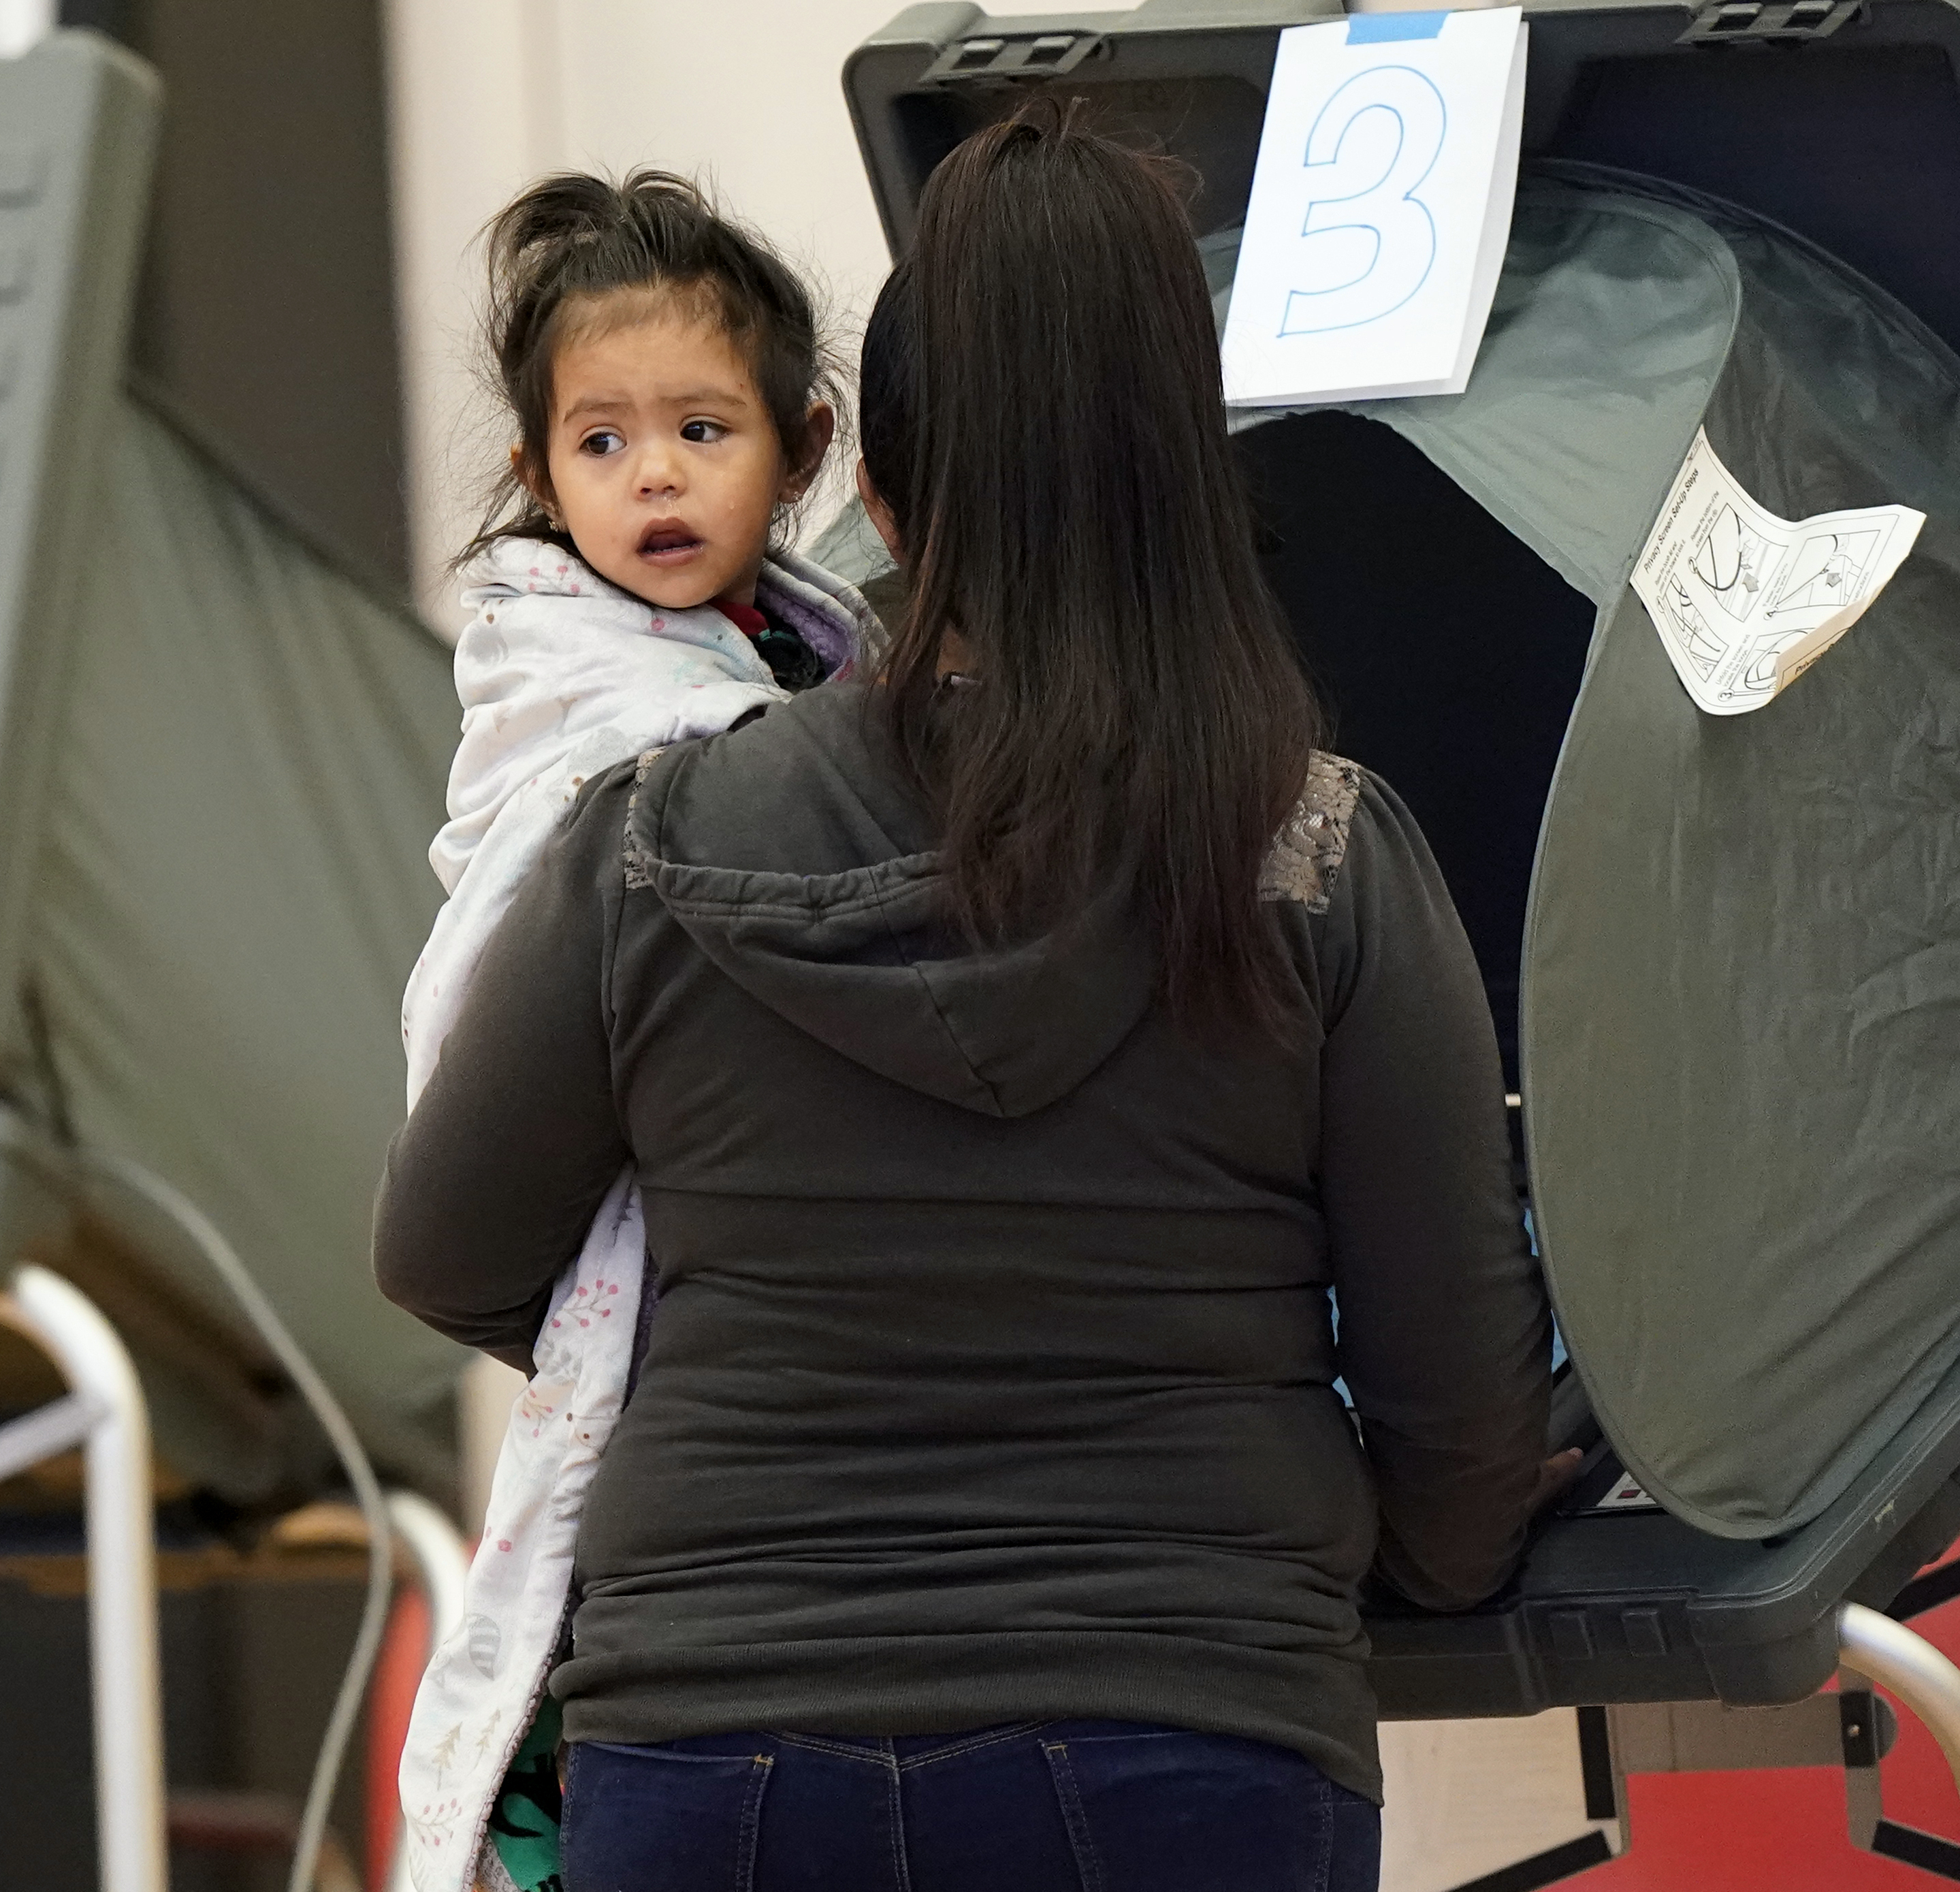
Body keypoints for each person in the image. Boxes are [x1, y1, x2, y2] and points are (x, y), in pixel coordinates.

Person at [375, 106, 1560, 1892]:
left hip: (709, 1750)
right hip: (1193, 1738)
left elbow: (446, 1250)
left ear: (861, 491)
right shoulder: (1314, 852)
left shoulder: (649, 840)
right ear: (1191, 473)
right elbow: (1462, 1443)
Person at [389, 170, 877, 1892]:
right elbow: (487, 969)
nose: (651, 474)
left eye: (698, 426)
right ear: (538, 475)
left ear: (802, 449)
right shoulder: (599, 702)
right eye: (599, 444)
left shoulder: (804, 667)